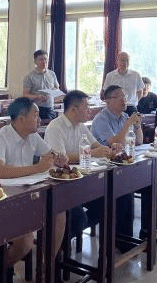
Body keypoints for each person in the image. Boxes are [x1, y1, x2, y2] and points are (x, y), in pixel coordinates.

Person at [0, 97, 67, 279]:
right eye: (35, 115)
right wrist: (37, 168)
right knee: (26, 240)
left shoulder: (33, 136)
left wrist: (59, 159)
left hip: (25, 195)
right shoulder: (0, 137)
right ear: (21, 119)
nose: (39, 120)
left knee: (59, 212)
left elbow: (50, 154)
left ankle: (46, 267)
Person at [44, 90, 112, 238]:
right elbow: (61, 158)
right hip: (61, 183)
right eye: (86, 106)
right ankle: (60, 243)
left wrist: (110, 150)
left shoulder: (81, 126)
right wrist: (92, 153)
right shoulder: (56, 127)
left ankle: (68, 236)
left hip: (80, 178)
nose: (89, 110)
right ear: (74, 109)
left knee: (107, 203)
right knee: (78, 219)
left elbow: (96, 146)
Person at [90, 85, 144, 249]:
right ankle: (120, 240)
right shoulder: (101, 119)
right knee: (124, 191)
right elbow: (114, 143)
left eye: (125, 97)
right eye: (119, 97)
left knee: (149, 183)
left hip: (122, 165)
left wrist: (137, 126)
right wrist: (128, 124)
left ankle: (148, 231)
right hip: (103, 169)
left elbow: (139, 141)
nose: (124, 100)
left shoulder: (125, 116)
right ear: (108, 101)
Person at [102, 52, 144, 116]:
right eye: (122, 60)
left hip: (130, 106)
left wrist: (135, 101)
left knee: (133, 121)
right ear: (117, 61)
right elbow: (106, 93)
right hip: (115, 108)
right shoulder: (110, 76)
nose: (125, 63)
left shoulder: (136, 75)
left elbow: (140, 91)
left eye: (127, 60)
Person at [22, 49, 61, 120]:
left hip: (50, 107)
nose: (44, 62)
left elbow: (56, 88)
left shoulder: (52, 74)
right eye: (41, 59)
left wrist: (53, 92)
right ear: (35, 61)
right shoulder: (30, 76)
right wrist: (37, 97)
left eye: (45, 59)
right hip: (37, 108)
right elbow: (25, 94)